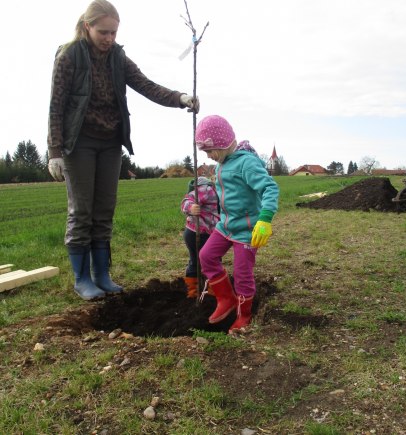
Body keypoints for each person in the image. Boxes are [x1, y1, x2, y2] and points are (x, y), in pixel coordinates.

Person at [47, 0, 199, 301]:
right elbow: (56, 106)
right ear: (87, 26)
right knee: (82, 212)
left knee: (104, 211)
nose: (109, 39)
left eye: (114, 33)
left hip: (110, 143)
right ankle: (82, 279)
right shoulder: (69, 56)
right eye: (103, 32)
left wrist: (180, 97)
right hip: (78, 143)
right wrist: (54, 150)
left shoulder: (117, 57)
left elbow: (145, 85)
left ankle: (102, 275)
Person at [195, 115, 279, 333]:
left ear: (223, 143)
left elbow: (270, 188)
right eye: (205, 152)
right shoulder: (221, 164)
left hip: (247, 231)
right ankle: (226, 298)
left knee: (242, 274)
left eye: (210, 151)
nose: (209, 156)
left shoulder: (246, 163)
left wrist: (265, 219)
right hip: (225, 226)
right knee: (206, 256)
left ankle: (244, 314)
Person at [180, 176, 220, 298]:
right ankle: (207, 291)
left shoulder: (219, 191)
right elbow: (187, 200)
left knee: (197, 261)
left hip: (202, 232)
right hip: (198, 232)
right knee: (210, 261)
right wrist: (191, 207)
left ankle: (201, 291)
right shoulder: (207, 189)